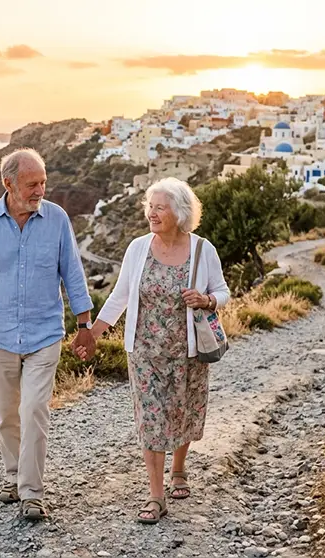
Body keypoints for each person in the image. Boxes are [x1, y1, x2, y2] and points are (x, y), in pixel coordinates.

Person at [75, 177, 229, 524]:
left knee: (183, 412)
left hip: (187, 351)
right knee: (151, 420)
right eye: (150, 206)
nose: (152, 213)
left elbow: (222, 291)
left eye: (160, 207)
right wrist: (93, 333)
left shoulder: (203, 250)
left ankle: (179, 469)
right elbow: (121, 295)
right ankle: (157, 496)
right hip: (144, 351)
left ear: (180, 212)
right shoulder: (138, 248)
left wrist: (207, 300)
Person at [0, 147, 96, 521]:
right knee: (6, 415)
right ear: (9, 183)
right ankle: (14, 477)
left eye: (43, 182)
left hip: (44, 333)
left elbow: (73, 275)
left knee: (34, 409)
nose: (40, 191)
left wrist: (84, 327)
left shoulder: (57, 220)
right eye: (32, 184)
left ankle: (32, 493)